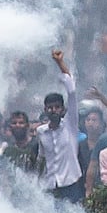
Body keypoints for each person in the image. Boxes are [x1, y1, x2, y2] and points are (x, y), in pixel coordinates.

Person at [37, 49, 83, 203]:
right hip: (50, 185)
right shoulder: (41, 132)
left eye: (57, 107)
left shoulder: (70, 125)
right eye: (50, 108)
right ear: (45, 110)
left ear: (63, 110)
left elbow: (72, 91)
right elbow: (41, 159)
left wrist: (60, 62)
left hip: (71, 184)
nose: (53, 110)